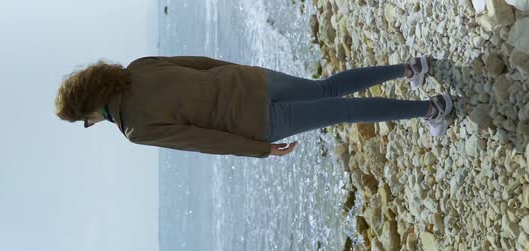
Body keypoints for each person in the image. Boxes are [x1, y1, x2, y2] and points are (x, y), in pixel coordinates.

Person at [55, 56, 452, 158]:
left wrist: (261, 149)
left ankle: (432, 109)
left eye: (84, 120)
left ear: (90, 109)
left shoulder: (135, 130)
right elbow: (202, 64)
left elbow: (203, 140)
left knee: (344, 113)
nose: (92, 123)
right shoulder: (137, 68)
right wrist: (243, 73)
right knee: (328, 88)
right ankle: (410, 68)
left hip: (258, 121)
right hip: (252, 80)